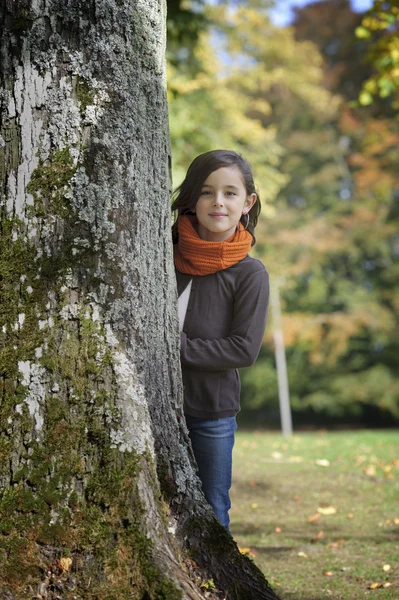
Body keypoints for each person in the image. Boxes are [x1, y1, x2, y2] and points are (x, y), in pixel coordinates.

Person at [172, 149, 269, 532]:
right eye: (207, 192)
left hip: (211, 411)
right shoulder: (159, 255)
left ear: (247, 203)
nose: (218, 202)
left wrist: (172, 348)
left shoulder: (250, 274)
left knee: (212, 510)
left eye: (230, 193)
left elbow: (242, 349)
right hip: (150, 401)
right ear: (192, 199)